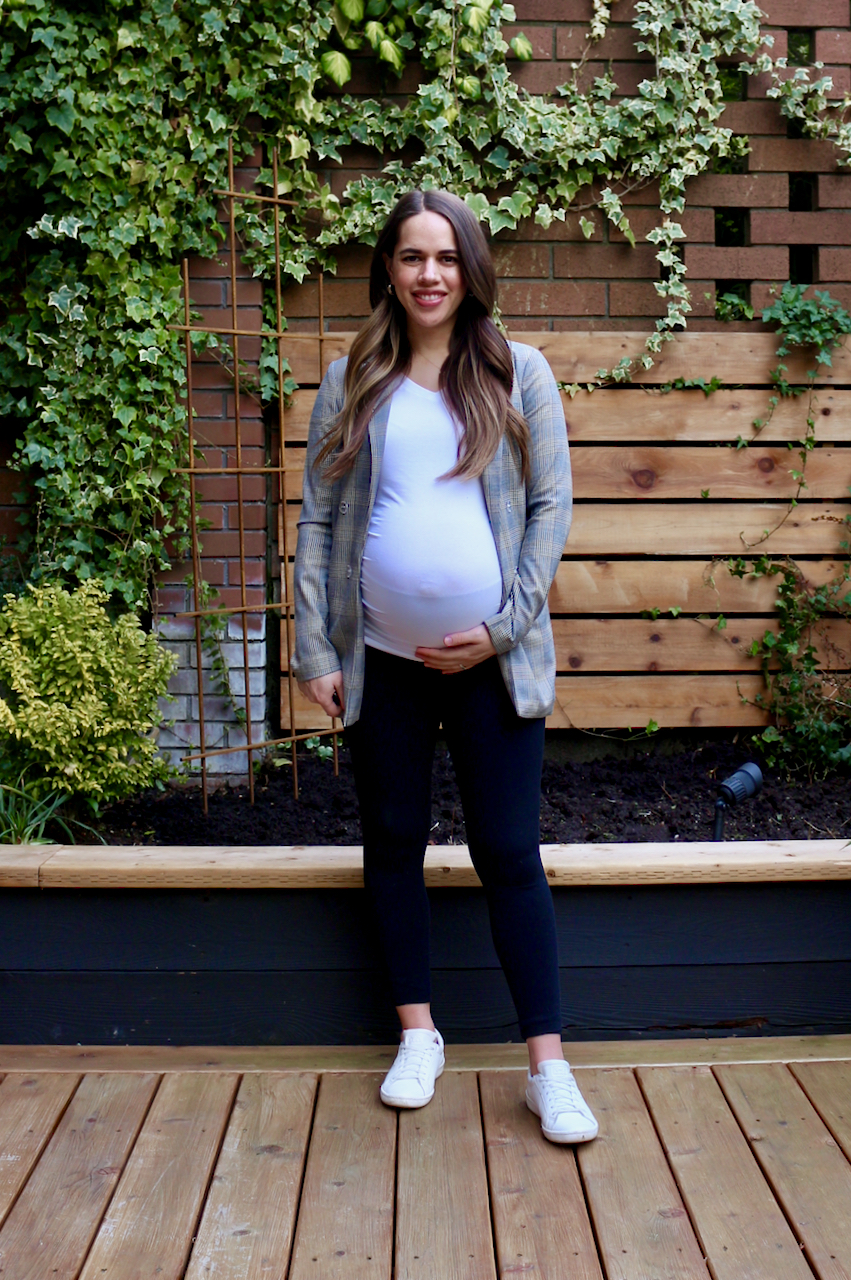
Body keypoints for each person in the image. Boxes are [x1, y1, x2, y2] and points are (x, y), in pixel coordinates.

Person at [293, 188, 598, 1145]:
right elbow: (321, 517)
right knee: (392, 842)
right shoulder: (354, 378)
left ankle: (548, 1066)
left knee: (510, 853)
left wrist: (505, 626)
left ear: (471, 268)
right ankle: (418, 1034)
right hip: (380, 660)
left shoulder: (519, 372)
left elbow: (551, 508)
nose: (430, 274)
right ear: (387, 267)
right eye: (412, 256)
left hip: (491, 667)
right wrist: (314, 647)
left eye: (447, 257)